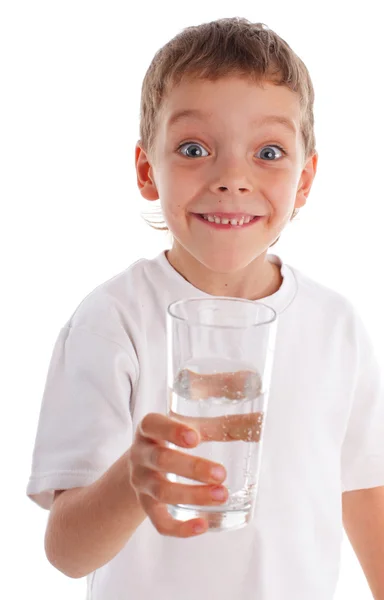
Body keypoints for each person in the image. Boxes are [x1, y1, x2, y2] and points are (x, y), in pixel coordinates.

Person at [26, 17, 384, 600]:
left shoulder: (336, 326)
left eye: (268, 152)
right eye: (195, 149)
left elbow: (365, 489)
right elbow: (66, 552)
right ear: (147, 170)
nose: (232, 179)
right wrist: (132, 481)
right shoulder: (113, 321)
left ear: (305, 180)